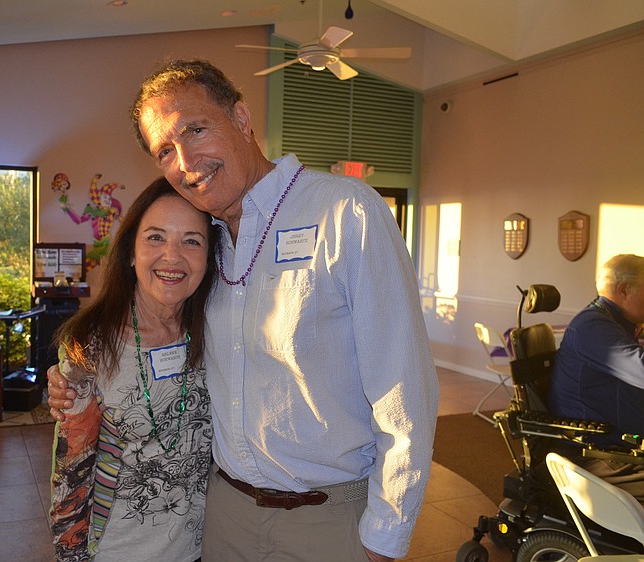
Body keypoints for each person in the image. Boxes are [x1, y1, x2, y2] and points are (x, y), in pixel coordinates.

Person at [50, 59, 439, 562]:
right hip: (222, 516)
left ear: (240, 115)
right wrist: (75, 375)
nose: (186, 160)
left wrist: (385, 536)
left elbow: (404, 390)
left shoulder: (346, 212)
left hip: (326, 518)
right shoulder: (208, 242)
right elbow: (155, 324)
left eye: (196, 128)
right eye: (165, 150)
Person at [49, 177, 217, 562]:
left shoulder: (217, 332)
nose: (172, 257)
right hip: (119, 550)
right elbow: (70, 471)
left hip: (202, 546)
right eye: (156, 238)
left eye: (191, 240)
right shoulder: (89, 344)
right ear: (130, 252)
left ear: (208, 258)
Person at [548, 253, 644, 501]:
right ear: (623, 289)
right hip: (598, 451)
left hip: (619, 441)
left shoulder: (612, 321)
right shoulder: (593, 326)